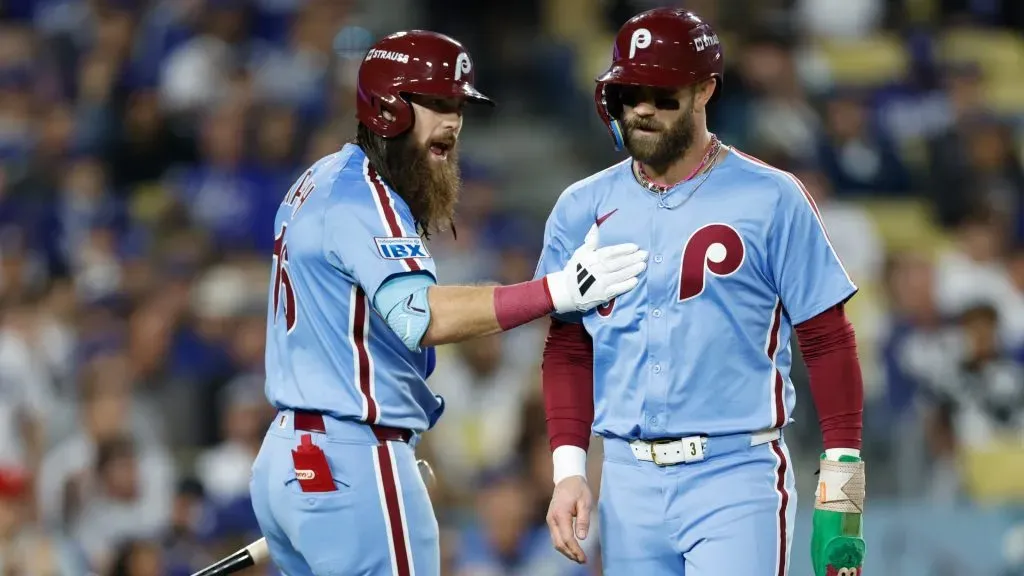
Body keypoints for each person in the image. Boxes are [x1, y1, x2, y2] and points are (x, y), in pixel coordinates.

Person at [247, 29, 648, 576]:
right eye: (437, 103)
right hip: (353, 454)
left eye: (458, 105)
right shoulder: (367, 198)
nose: (454, 121)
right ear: (389, 107)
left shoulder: (318, 180)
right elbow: (422, 316)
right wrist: (560, 289)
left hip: (291, 459)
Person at [534, 9, 866, 576]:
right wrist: (570, 468)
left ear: (705, 89)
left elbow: (827, 339)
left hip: (736, 473)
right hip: (628, 477)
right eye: (628, 91)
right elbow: (569, 347)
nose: (642, 107)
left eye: (662, 93)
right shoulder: (580, 207)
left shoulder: (772, 196)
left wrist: (844, 486)